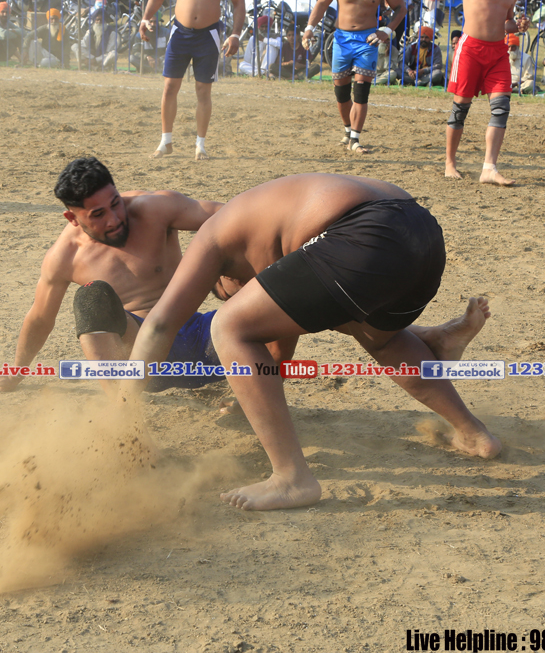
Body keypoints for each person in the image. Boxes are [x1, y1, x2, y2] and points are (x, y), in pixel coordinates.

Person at [123, 173, 500, 512]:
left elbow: (159, 325)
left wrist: (122, 406)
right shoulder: (267, 223)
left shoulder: (213, 237)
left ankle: (291, 477)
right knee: (378, 338)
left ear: (224, 278)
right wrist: (250, 396)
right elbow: (280, 346)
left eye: (227, 293)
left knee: (229, 326)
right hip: (422, 233)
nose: (239, 294)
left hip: (366, 231)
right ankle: (472, 431)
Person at [0, 156, 228, 394]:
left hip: (205, 336)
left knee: (252, 276)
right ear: (72, 218)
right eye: (98, 214)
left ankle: (250, 390)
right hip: (144, 359)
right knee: (92, 297)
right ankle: (122, 412)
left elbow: (237, 217)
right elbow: (40, 319)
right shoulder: (65, 256)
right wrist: (16, 372)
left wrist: (228, 271)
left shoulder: (155, 209)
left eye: (116, 203)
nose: (114, 219)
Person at [138, 0, 244, 160]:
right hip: (180, 33)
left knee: (203, 91)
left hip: (209, 36)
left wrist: (235, 34)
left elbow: (238, 2)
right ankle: (165, 141)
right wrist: (145, 18)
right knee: (169, 87)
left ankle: (200, 145)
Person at [301, 0, 407, 154]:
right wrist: (309, 28)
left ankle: (355, 139)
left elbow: (401, 8)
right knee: (341, 92)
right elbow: (322, 3)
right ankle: (348, 130)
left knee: (361, 90)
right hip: (341, 39)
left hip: (367, 40)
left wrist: (387, 30)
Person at [444, 0, 530, 185]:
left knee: (502, 108)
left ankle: (489, 169)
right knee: (460, 109)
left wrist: (519, 26)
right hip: (470, 49)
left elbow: (507, 21)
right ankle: (450, 163)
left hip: (498, 52)